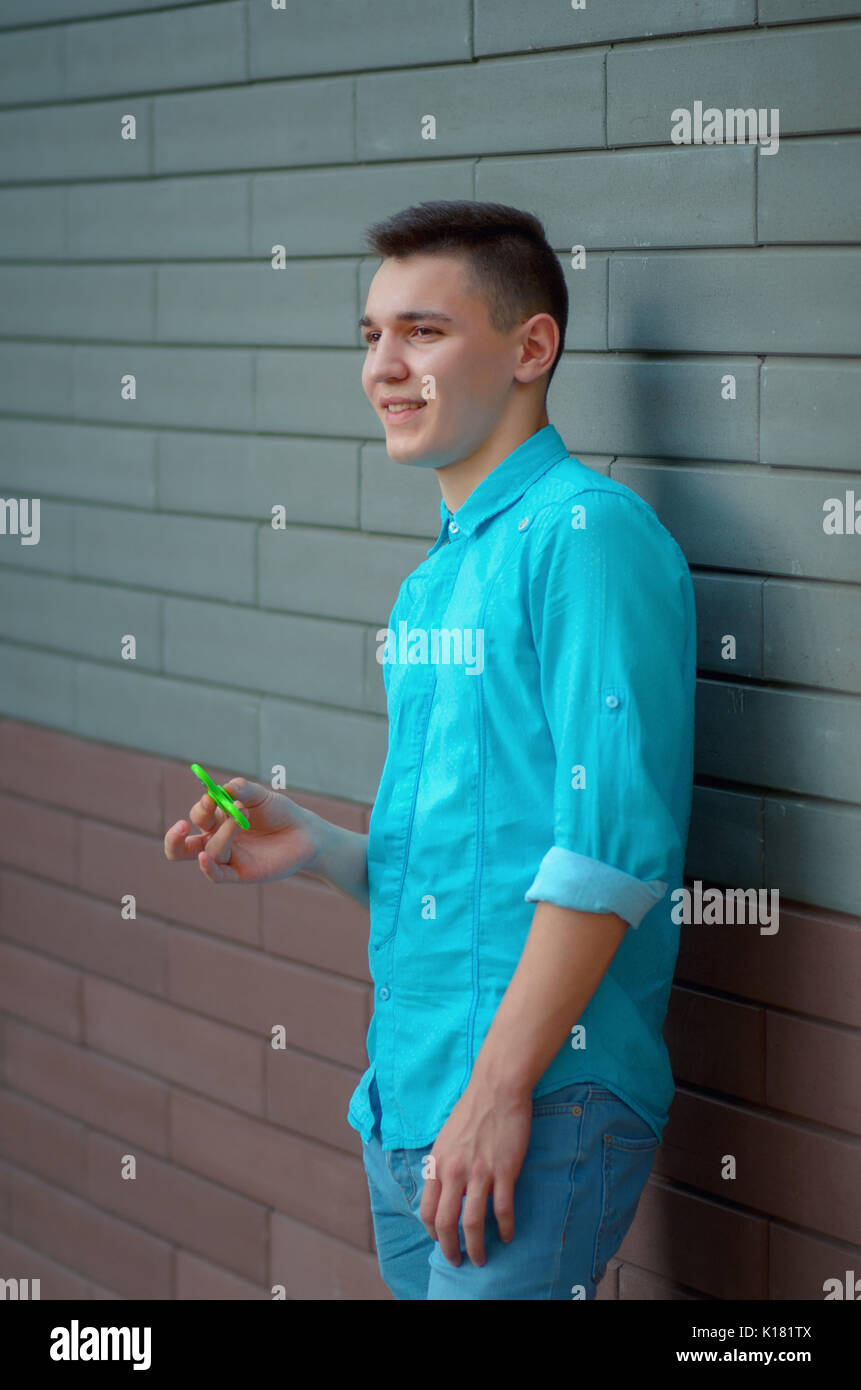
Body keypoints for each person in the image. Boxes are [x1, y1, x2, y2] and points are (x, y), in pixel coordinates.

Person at [164, 201, 697, 1301]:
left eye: (423, 332)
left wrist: (498, 1091)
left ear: (530, 348)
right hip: (410, 1104)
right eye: (370, 337)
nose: (385, 367)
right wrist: (316, 843)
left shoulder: (588, 538)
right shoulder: (433, 582)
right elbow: (472, 862)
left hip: (540, 1102)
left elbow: (611, 858)